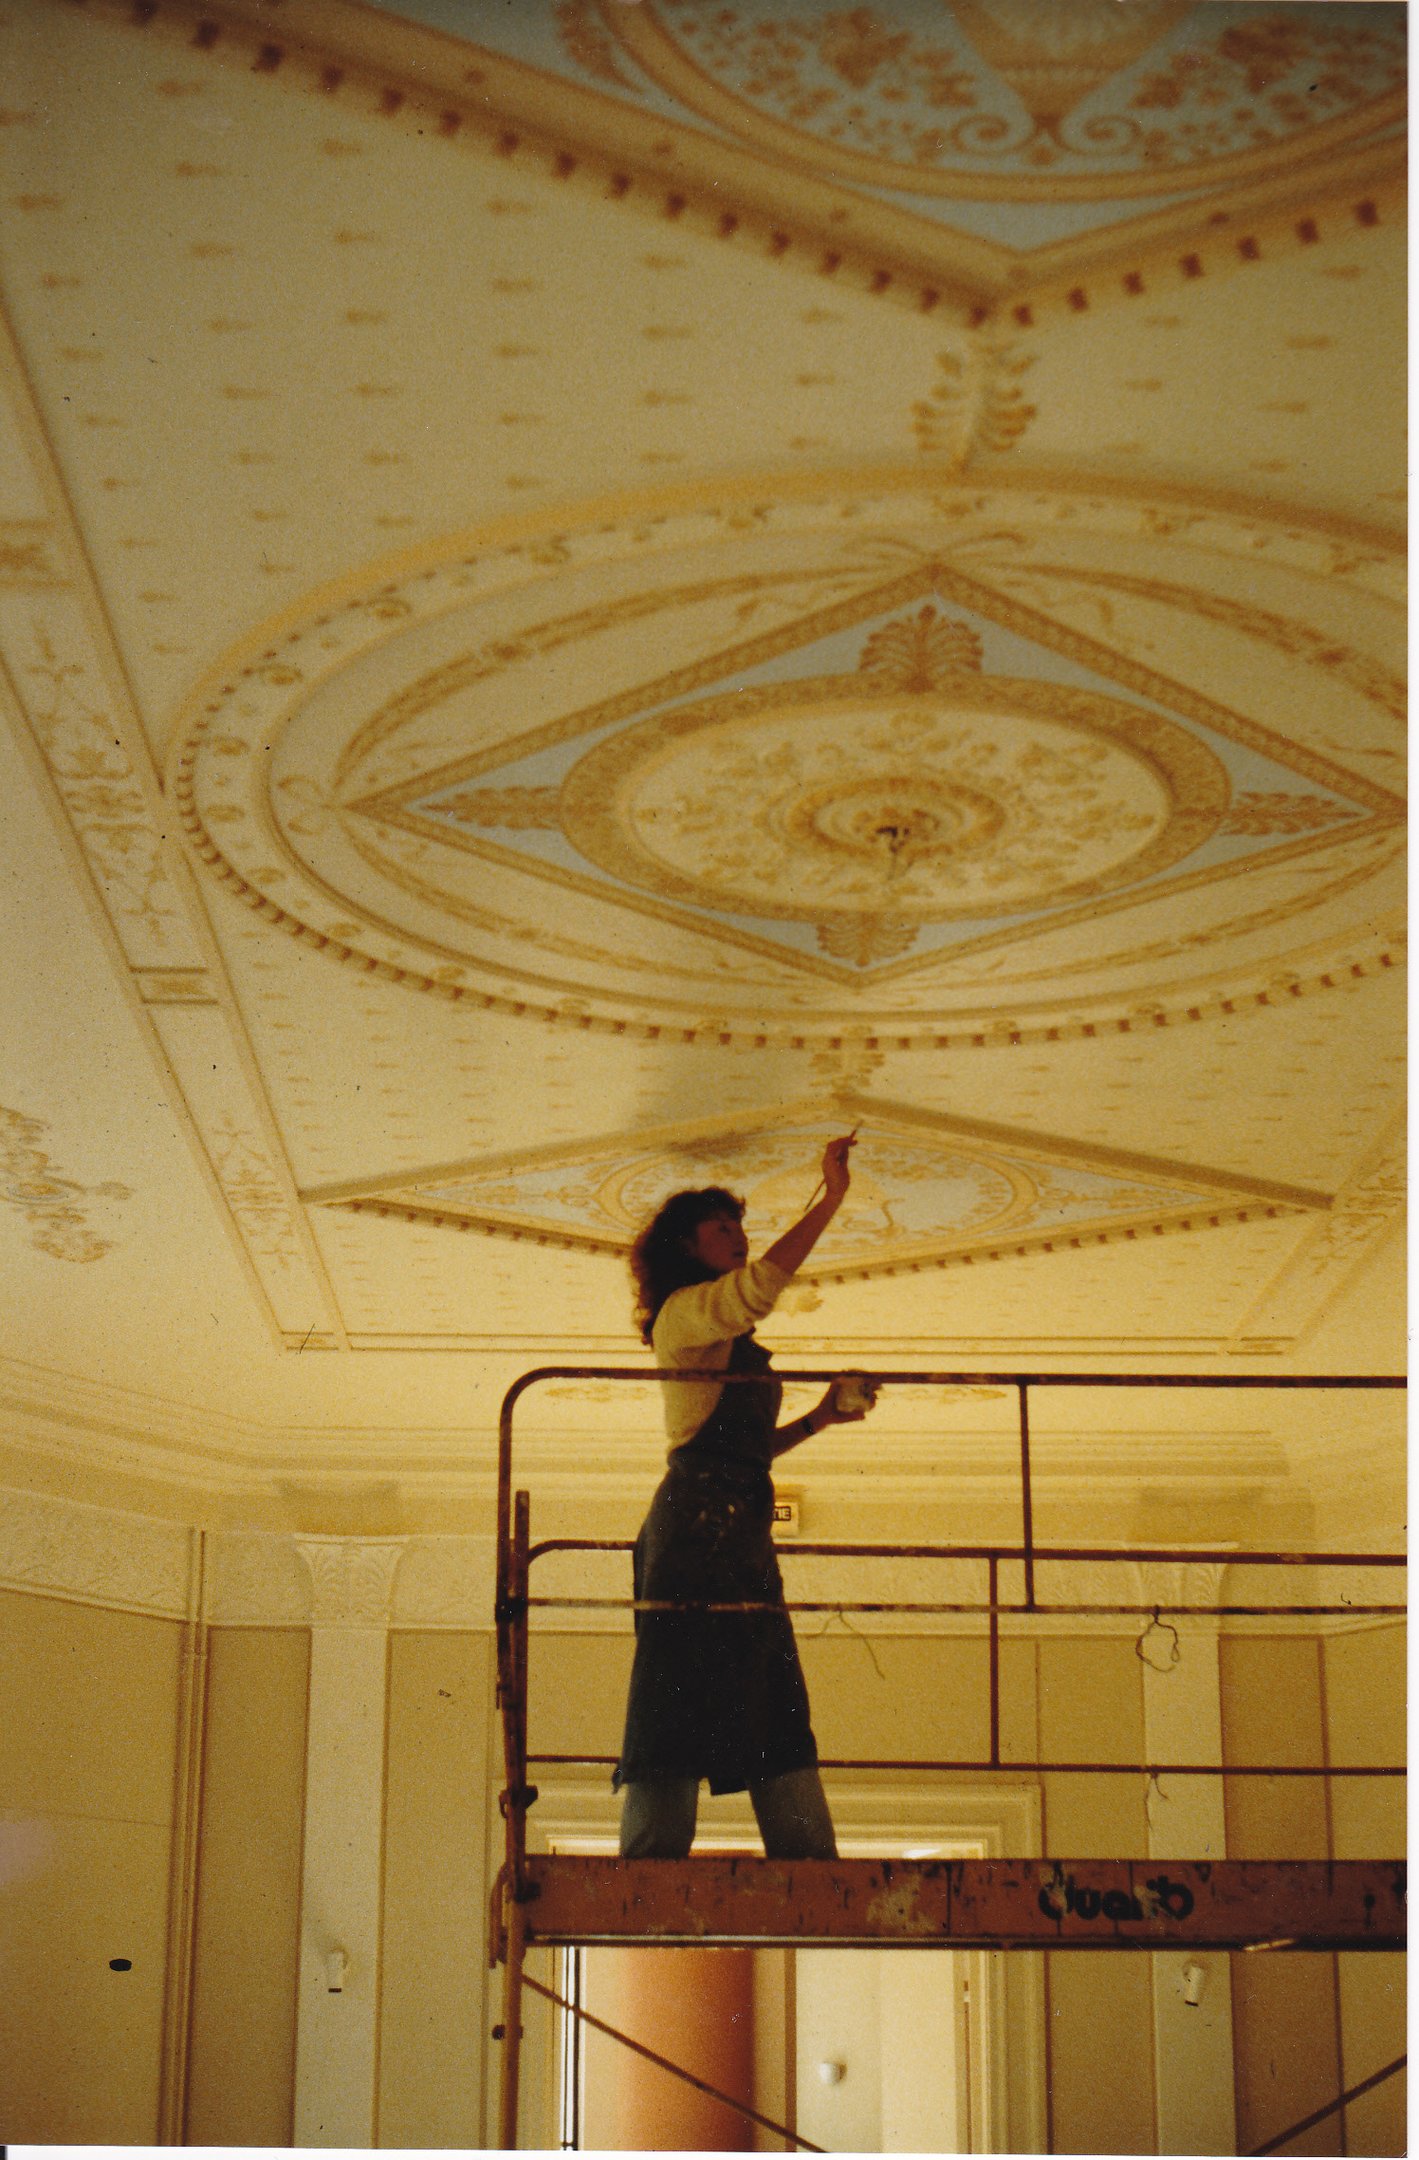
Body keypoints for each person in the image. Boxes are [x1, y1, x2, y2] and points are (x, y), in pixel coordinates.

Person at [614, 1133, 877, 1859]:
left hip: (735, 1525)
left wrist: (822, 1419)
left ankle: (805, 1860)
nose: (737, 1236)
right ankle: (651, 1866)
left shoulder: (723, 1340)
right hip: (698, 1530)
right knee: (673, 1690)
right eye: (721, 1227)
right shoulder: (685, 1316)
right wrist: (831, 1198)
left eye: (739, 1224)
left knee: (770, 1685)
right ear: (683, 1244)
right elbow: (759, 1285)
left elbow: (741, 1455)